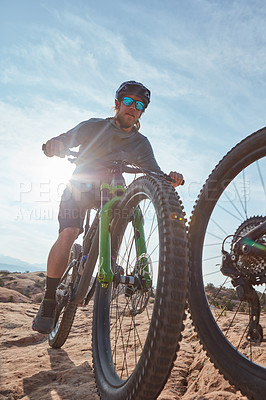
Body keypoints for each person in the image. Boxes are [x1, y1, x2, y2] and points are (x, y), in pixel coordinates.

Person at [32, 80, 183, 334]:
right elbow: (67, 138)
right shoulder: (95, 126)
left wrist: (169, 178)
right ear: (116, 104)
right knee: (69, 232)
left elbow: (154, 173)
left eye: (139, 105)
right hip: (81, 186)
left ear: (142, 112)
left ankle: (107, 260)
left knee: (120, 214)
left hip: (112, 191)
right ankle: (49, 299)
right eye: (127, 102)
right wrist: (55, 146)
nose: (132, 108)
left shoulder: (141, 143)